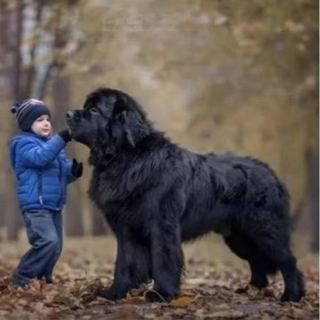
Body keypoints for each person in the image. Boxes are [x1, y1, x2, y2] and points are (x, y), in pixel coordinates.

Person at [8, 98, 83, 288]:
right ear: (27, 124)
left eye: (47, 119)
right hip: (36, 204)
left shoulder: (53, 146)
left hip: (54, 204)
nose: (46, 123)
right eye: (40, 119)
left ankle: (42, 278)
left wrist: (72, 172)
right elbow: (40, 158)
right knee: (47, 242)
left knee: (56, 247)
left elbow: (62, 174)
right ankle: (21, 276)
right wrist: (61, 138)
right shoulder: (22, 144)